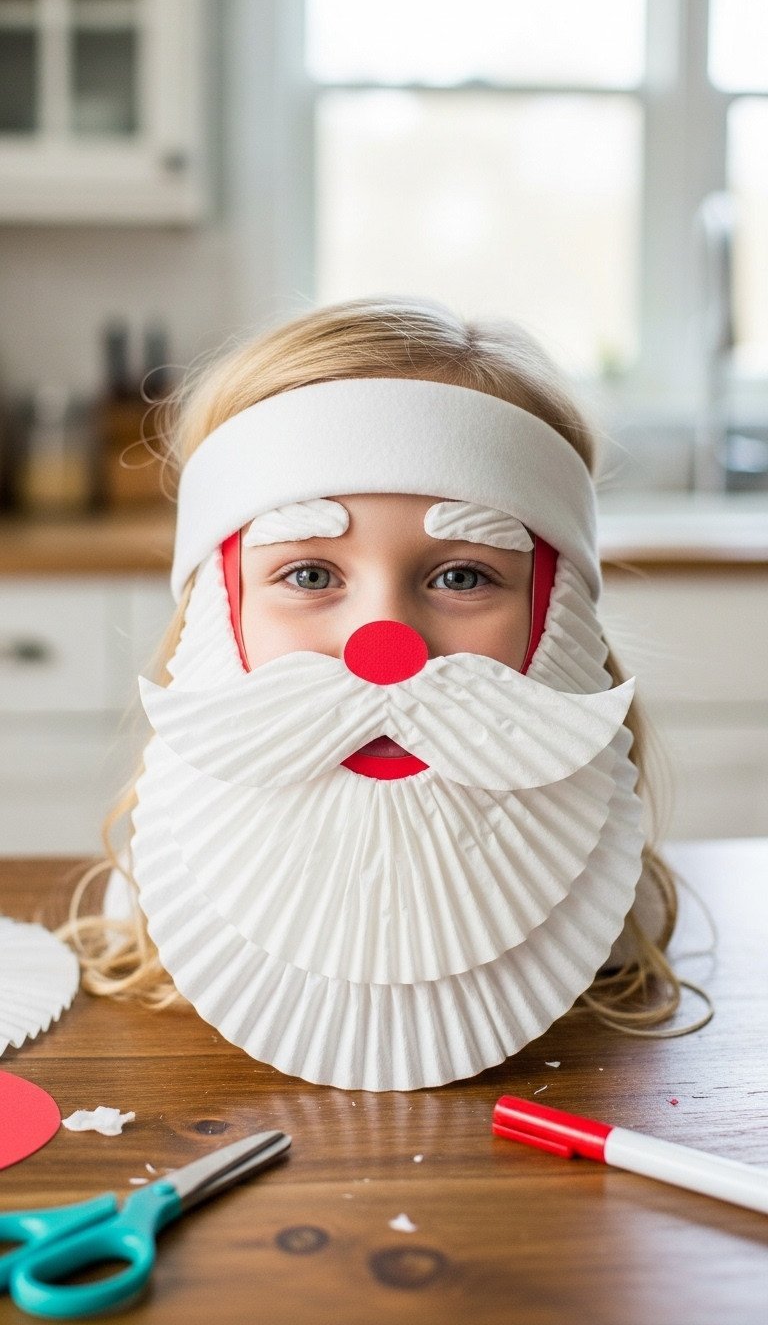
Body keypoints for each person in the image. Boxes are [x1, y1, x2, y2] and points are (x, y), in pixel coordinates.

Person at [62, 296, 689, 1091]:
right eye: (311, 574)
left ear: (557, 621)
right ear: (219, 619)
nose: (384, 648)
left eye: (462, 576)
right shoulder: (149, 901)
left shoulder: (621, 919)